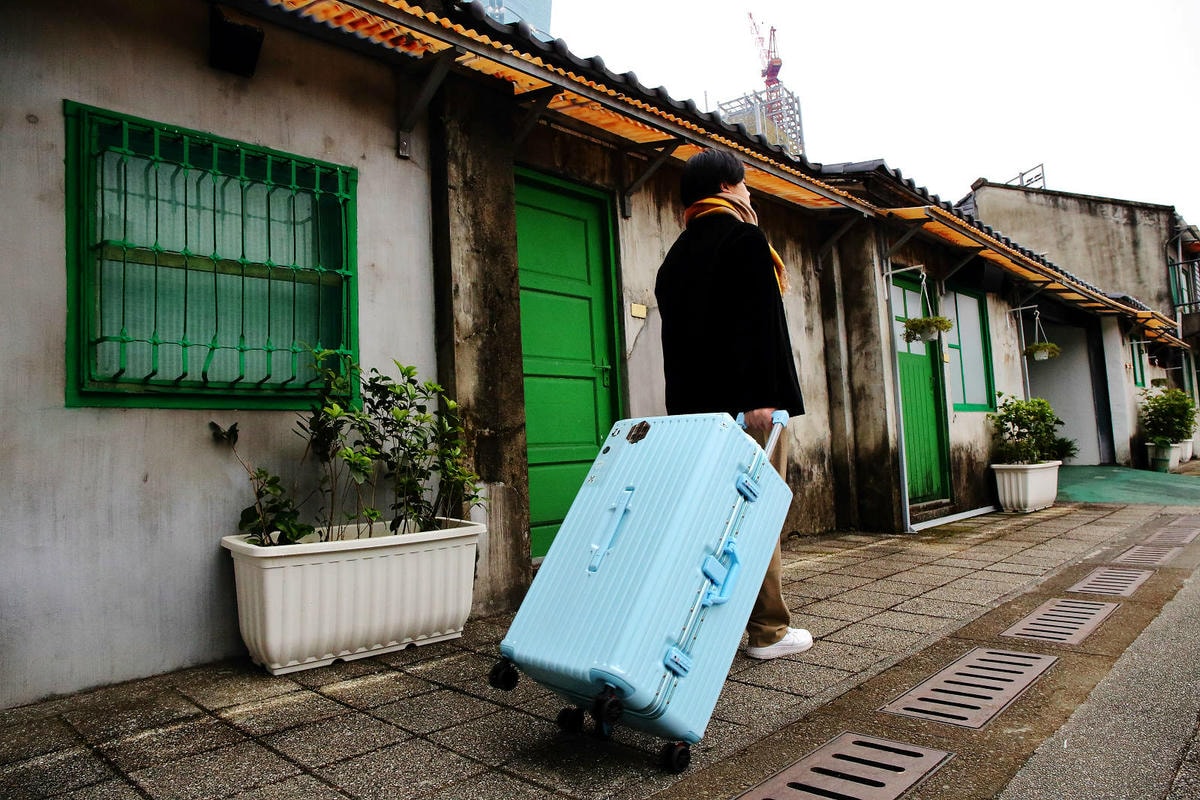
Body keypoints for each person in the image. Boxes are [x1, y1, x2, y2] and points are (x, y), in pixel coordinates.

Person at [655, 148, 813, 660]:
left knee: (711, 520)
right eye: (745, 185)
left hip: (696, 417)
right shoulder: (745, 240)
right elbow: (757, 328)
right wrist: (760, 400)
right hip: (751, 412)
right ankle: (768, 631)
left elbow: (681, 347)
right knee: (754, 518)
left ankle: (698, 632)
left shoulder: (674, 259)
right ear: (726, 187)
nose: (749, 193)